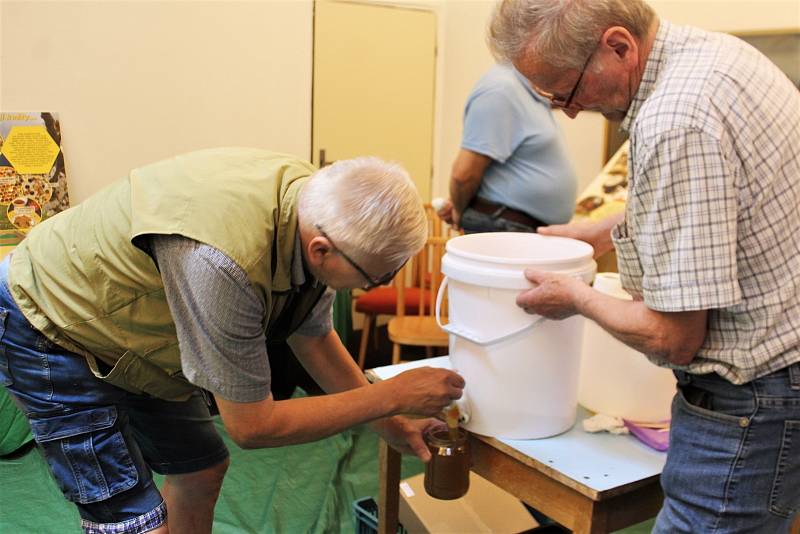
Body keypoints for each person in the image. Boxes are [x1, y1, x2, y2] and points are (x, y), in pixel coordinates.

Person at [0, 148, 465, 534]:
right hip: (49, 322)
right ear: (321, 250)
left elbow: (314, 335)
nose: (373, 285)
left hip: (136, 338)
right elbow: (253, 427)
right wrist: (390, 396)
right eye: (373, 277)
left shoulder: (316, 207)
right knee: (135, 524)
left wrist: (392, 422)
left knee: (200, 470)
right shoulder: (223, 262)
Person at [489, 0, 800, 532]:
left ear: (618, 46)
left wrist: (576, 297)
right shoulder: (715, 55)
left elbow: (672, 337)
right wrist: (599, 231)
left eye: (567, 90)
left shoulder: (676, 120)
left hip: (751, 397)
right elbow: (715, 202)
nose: (568, 110)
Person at [437, 63, 577, 233]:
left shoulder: (529, 90)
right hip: (504, 230)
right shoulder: (501, 89)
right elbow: (463, 175)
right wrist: (459, 210)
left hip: (519, 231)